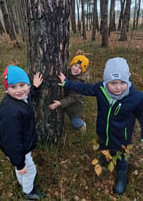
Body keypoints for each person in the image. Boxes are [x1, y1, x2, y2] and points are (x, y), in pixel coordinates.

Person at [57, 57, 143, 195]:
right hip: (103, 131)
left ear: (128, 81)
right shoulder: (100, 89)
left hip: (123, 138)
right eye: (113, 83)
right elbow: (85, 88)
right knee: (104, 145)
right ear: (106, 82)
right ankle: (105, 157)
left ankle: (121, 178)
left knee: (121, 158)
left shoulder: (136, 98)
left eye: (122, 82)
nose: (118, 87)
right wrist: (67, 84)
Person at [0, 65, 45, 200]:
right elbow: (11, 141)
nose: (19, 90)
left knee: (22, 170)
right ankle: (29, 192)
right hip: (19, 150)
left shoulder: (20, 99)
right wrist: (20, 163)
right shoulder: (10, 113)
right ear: (6, 90)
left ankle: (22, 179)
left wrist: (34, 87)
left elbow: (27, 97)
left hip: (19, 149)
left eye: (22, 85)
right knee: (29, 170)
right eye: (13, 87)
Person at [49, 55, 89, 132]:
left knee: (75, 121)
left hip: (74, 106)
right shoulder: (67, 72)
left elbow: (73, 97)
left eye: (80, 68)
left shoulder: (79, 83)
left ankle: (82, 125)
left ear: (82, 71)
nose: (76, 69)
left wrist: (60, 103)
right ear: (71, 65)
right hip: (66, 102)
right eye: (75, 65)